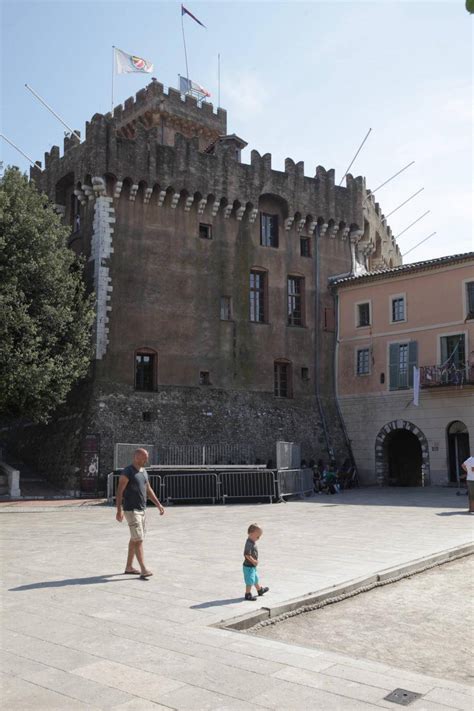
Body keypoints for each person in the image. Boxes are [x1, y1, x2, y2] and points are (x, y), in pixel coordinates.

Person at [115, 448, 165, 578]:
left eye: (146, 457)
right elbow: (119, 491)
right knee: (139, 539)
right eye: (144, 457)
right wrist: (119, 510)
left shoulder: (144, 472)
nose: (146, 460)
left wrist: (158, 504)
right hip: (131, 510)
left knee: (134, 539)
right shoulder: (128, 471)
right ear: (136, 457)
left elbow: (148, 490)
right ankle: (143, 569)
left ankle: (129, 567)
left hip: (142, 510)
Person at [243, 523, 269, 601]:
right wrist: (254, 561)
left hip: (252, 566)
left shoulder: (252, 542)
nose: (259, 538)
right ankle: (247, 594)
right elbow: (247, 554)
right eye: (257, 536)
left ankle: (260, 590)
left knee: (255, 579)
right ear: (251, 533)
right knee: (250, 580)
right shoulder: (249, 543)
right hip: (248, 566)